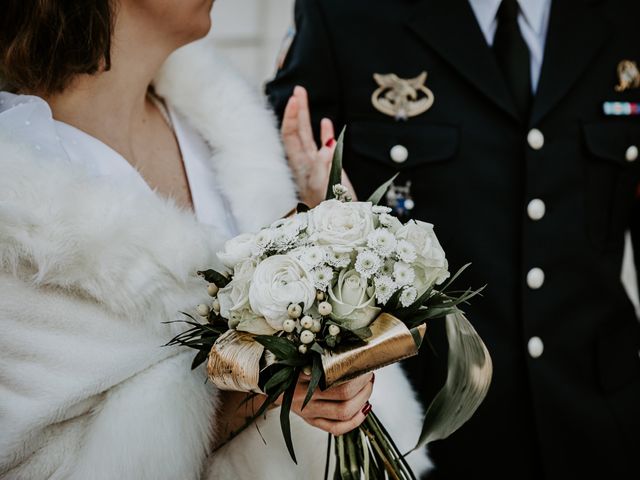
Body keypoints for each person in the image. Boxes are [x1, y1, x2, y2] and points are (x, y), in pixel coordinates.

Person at [0, 1, 430, 479]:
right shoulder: (20, 207)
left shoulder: (226, 129)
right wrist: (264, 383)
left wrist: (330, 240)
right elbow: (35, 460)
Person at [266, 0, 640, 478]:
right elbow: (272, 213)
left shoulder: (625, 19)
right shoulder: (344, 15)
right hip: (424, 435)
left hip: (602, 432)